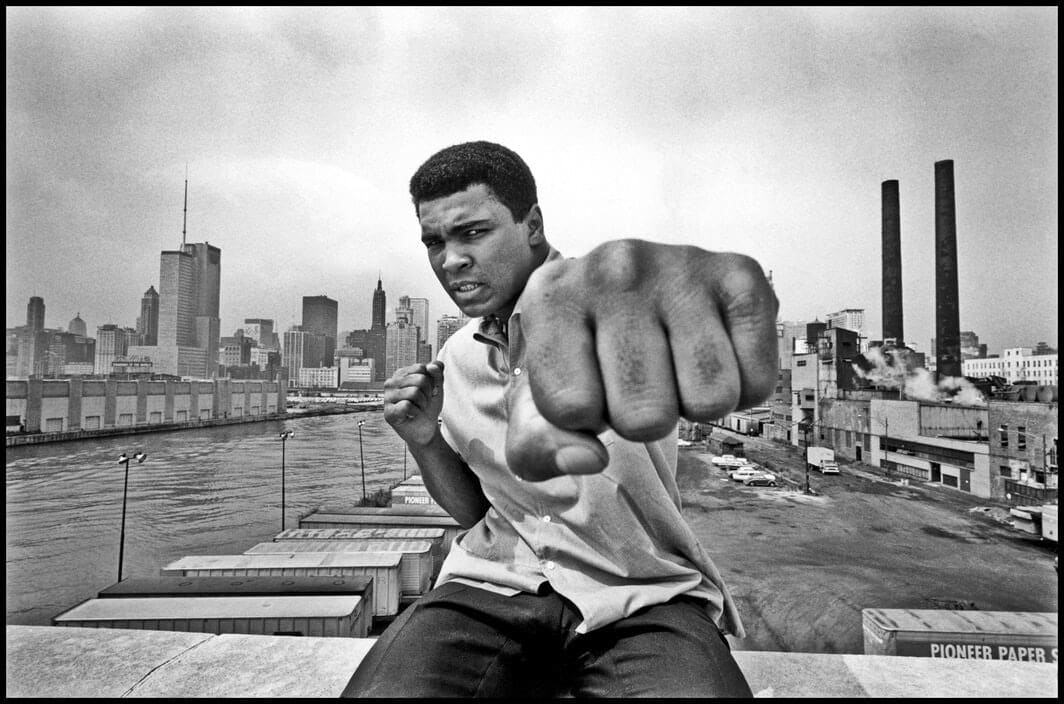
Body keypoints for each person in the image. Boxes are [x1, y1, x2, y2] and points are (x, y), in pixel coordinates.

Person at [341, 141, 778, 698]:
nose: (450, 260)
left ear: (532, 225)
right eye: (435, 241)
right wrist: (424, 440)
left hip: (639, 594)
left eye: (473, 232)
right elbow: (475, 511)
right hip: (491, 587)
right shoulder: (457, 358)